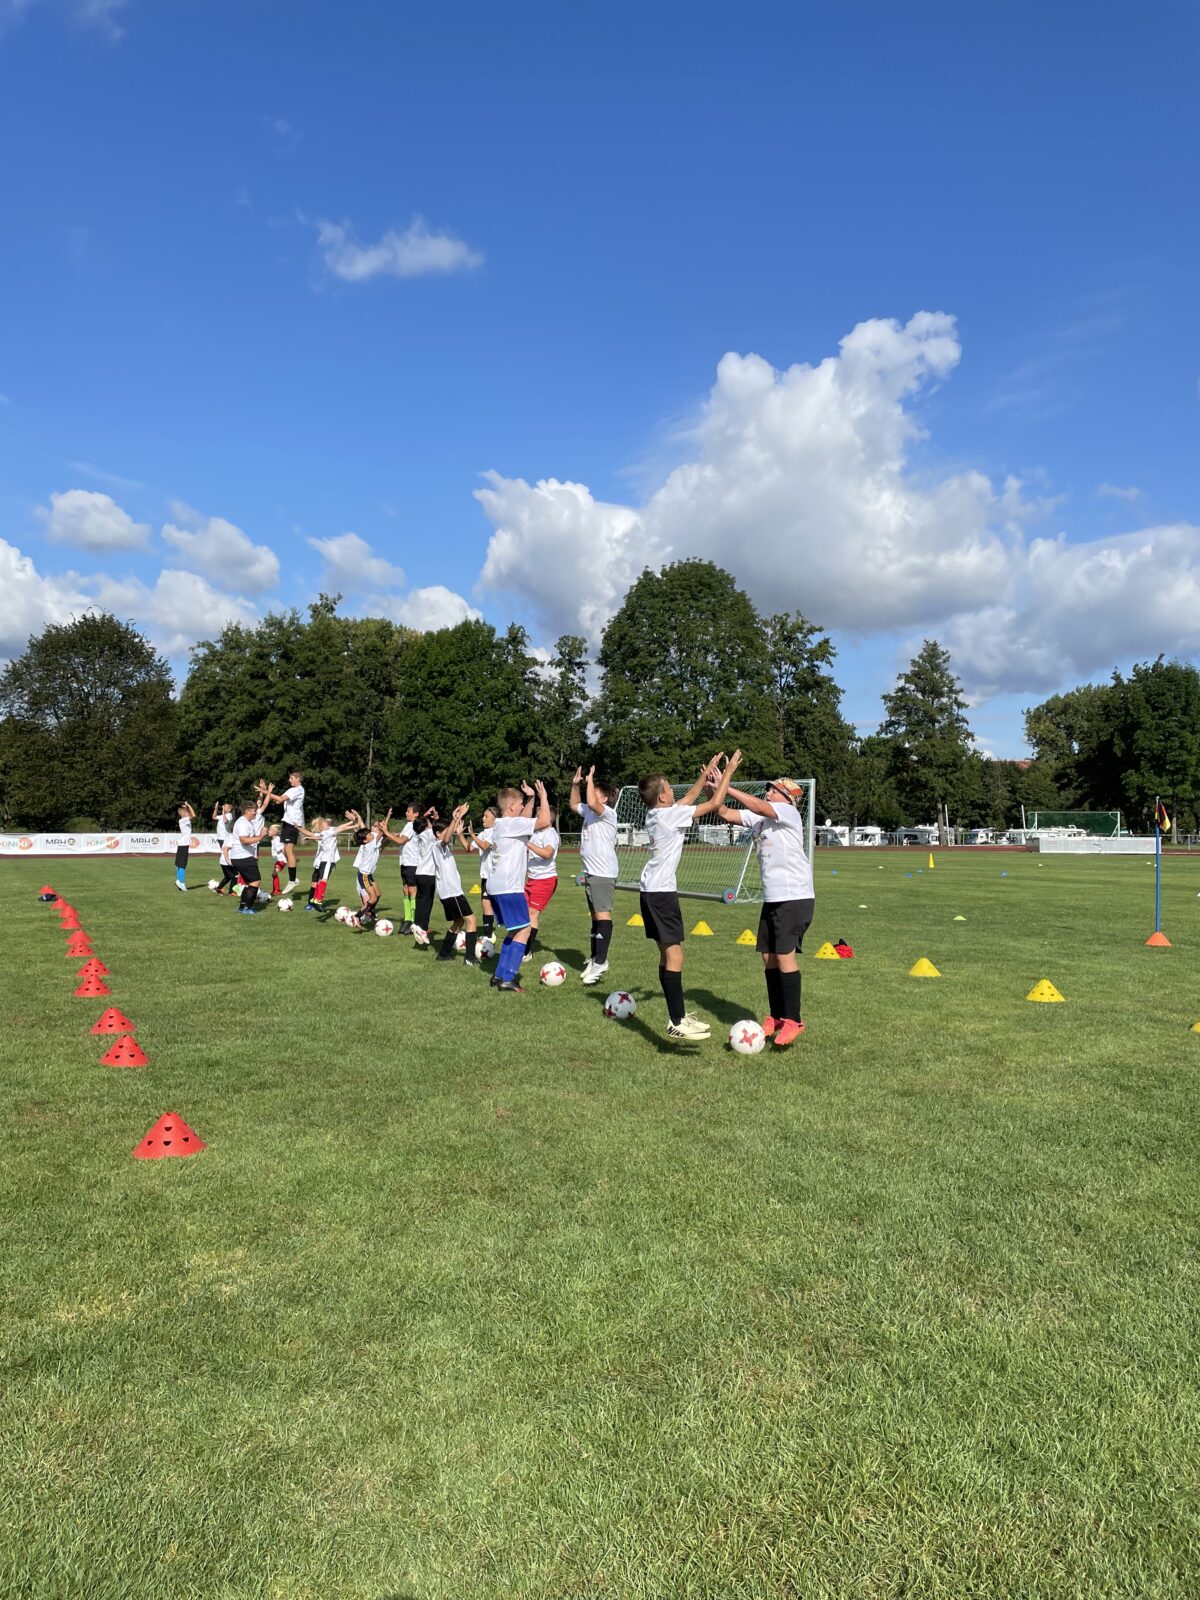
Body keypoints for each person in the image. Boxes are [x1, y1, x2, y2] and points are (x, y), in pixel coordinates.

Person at [638, 751, 741, 1040]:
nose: (674, 791)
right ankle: (676, 1021)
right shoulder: (670, 815)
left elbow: (691, 796)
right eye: (670, 788)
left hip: (651, 892)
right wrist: (728, 772)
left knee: (666, 954)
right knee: (676, 954)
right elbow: (714, 803)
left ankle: (678, 1015)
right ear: (662, 797)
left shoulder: (658, 814)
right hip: (660, 895)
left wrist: (706, 771)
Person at [715, 777, 813, 1048]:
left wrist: (730, 785)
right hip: (773, 898)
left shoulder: (789, 812)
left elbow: (758, 805)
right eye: (768, 789)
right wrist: (718, 787)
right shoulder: (760, 819)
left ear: (787, 796)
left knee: (784, 955)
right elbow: (723, 811)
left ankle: (794, 1020)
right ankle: (778, 1017)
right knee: (768, 957)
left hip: (794, 896)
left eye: (773, 790)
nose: (768, 792)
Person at [486, 779, 551, 992]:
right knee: (524, 929)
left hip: (496, 886)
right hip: (509, 887)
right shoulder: (512, 824)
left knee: (513, 931)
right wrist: (542, 796)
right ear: (512, 807)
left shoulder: (503, 824)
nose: (523, 808)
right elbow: (544, 821)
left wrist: (529, 798)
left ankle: (499, 975)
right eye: (520, 804)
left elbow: (524, 820)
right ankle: (508, 978)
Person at [571, 766, 620, 985]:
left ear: (607, 798)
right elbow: (574, 804)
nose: (593, 793)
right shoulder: (590, 812)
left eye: (598, 791)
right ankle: (594, 959)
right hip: (591, 873)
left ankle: (601, 961)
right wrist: (575, 784)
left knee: (602, 916)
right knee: (594, 918)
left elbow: (591, 802)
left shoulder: (607, 813)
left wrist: (589, 779)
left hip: (603, 873)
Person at [432, 805, 479, 964]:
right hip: (452, 893)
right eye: (447, 830)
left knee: (458, 922)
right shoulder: (438, 845)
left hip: (448, 893)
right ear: (438, 834)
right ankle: (470, 958)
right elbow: (445, 839)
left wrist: (457, 822)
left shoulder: (442, 848)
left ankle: (444, 954)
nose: (450, 833)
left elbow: (448, 836)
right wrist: (456, 818)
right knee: (472, 920)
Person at [523, 803, 560, 963]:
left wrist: (528, 845)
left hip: (545, 880)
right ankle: (522, 945)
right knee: (524, 913)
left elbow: (547, 853)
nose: (536, 819)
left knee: (532, 914)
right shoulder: (536, 833)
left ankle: (526, 951)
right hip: (532, 879)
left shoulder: (551, 834)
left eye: (539, 816)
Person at [298, 813, 358, 910]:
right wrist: (355, 824)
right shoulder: (328, 832)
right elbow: (341, 828)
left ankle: (315, 899)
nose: (327, 824)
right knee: (323, 879)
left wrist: (352, 822)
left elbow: (340, 827)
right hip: (327, 860)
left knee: (321, 879)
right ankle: (318, 899)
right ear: (321, 826)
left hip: (325, 860)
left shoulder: (328, 831)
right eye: (325, 823)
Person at [260, 770, 305, 892]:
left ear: (298, 779)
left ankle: (292, 880)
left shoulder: (298, 790)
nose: (289, 780)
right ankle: (293, 878)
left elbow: (279, 799)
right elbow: (278, 800)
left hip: (293, 823)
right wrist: (265, 792)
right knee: (286, 850)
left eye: (291, 778)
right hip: (286, 822)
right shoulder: (291, 790)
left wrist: (266, 792)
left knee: (288, 850)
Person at [229, 798, 269, 915]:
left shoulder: (247, 822)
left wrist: (262, 833)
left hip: (242, 856)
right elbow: (244, 840)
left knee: (249, 883)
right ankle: (247, 908)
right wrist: (261, 837)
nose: (256, 813)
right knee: (255, 882)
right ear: (247, 811)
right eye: (254, 811)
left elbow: (250, 838)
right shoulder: (242, 823)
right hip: (243, 856)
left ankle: (242, 907)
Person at [410, 807, 441, 948]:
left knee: (420, 901)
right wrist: (436, 817)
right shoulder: (429, 834)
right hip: (428, 874)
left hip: (419, 873)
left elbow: (420, 823)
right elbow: (440, 830)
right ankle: (423, 928)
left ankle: (417, 924)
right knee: (427, 903)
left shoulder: (419, 835)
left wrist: (426, 816)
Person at [464, 809, 496, 942]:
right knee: (485, 905)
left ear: (495, 818)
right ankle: (488, 935)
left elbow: (484, 846)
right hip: (486, 875)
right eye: (483, 815)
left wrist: (472, 834)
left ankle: (491, 934)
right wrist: (461, 834)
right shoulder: (483, 833)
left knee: (495, 905)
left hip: (495, 876)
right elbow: (468, 848)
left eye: (486, 816)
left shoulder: (495, 832)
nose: (483, 818)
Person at [396, 804, 420, 932]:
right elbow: (399, 836)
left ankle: (413, 921)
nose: (406, 813)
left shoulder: (413, 825)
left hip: (412, 863)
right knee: (405, 890)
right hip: (405, 863)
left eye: (408, 811)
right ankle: (407, 918)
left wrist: (386, 833)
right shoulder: (408, 824)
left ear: (416, 814)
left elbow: (400, 841)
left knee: (412, 891)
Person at [211, 801, 238, 895]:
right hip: (221, 838)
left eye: (226, 807)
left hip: (224, 837)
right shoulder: (224, 815)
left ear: (229, 809)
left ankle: (225, 889)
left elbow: (226, 820)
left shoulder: (229, 815)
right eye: (223, 807)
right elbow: (214, 817)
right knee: (233, 874)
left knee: (226, 852)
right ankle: (232, 891)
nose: (224, 808)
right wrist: (216, 808)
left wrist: (223, 811)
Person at [174, 801, 196, 892]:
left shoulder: (183, 820)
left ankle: (179, 881)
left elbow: (189, 813)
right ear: (183, 813)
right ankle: (181, 882)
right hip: (184, 844)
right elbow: (193, 815)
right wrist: (188, 805)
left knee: (179, 864)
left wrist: (186, 807)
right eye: (186, 812)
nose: (188, 813)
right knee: (182, 865)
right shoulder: (183, 820)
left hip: (182, 844)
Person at [268, 824, 287, 897]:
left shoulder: (277, 839)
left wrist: (287, 858)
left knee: (274, 873)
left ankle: (276, 890)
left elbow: (282, 849)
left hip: (282, 860)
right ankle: (276, 890)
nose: (268, 831)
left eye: (270, 830)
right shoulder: (274, 839)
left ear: (275, 832)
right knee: (274, 874)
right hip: (279, 860)